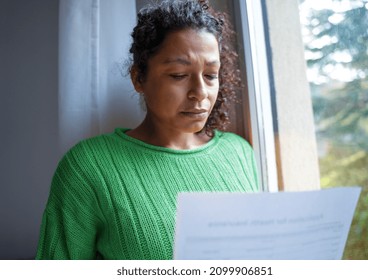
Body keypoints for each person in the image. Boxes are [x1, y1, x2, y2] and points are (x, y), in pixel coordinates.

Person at [36, 0, 259, 260]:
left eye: (211, 75)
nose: (200, 93)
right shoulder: (87, 167)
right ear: (138, 77)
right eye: (178, 75)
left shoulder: (239, 153)